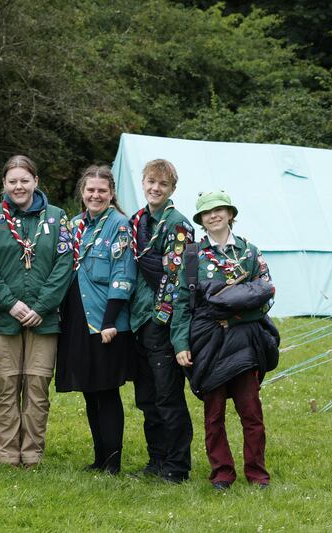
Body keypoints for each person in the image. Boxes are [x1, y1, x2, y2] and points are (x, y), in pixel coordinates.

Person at [172, 190, 278, 490]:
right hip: (208, 344)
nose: (214, 215)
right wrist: (181, 344)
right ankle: (222, 473)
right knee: (214, 413)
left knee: (251, 411)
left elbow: (267, 295)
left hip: (246, 341)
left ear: (230, 213)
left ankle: (257, 473)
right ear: (201, 220)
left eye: (219, 210)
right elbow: (180, 302)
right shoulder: (192, 255)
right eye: (207, 212)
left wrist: (234, 317)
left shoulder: (250, 251)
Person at [0, 155, 72, 468]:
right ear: (4, 184)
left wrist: (42, 305)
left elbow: (64, 265)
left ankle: (31, 453)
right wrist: (9, 303)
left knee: (36, 387)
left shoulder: (58, 218)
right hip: (5, 319)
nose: (19, 186)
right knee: (6, 387)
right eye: (12, 181)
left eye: (24, 180)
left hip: (44, 320)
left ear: (35, 182)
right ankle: (6, 453)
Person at [55, 165, 136, 474]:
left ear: (111, 193)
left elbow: (123, 273)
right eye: (90, 190)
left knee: (107, 390)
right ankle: (99, 456)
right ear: (82, 192)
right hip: (78, 318)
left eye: (102, 190)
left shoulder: (119, 225)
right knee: (90, 389)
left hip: (106, 319)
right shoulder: (74, 225)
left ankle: (113, 462)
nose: (96, 195)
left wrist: (110, 321)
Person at [128, 159, 194, 483]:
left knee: (168, 397)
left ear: (171, 190)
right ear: (143, 183)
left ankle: (177, 466)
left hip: (161, 322)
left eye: (162, 185)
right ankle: (156, 460)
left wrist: (161, 320)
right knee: (147, 398)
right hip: (136, 321)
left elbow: (177, 279)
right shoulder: (138, 221)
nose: (155, 188)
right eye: (151, 182)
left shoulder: (178, 225)